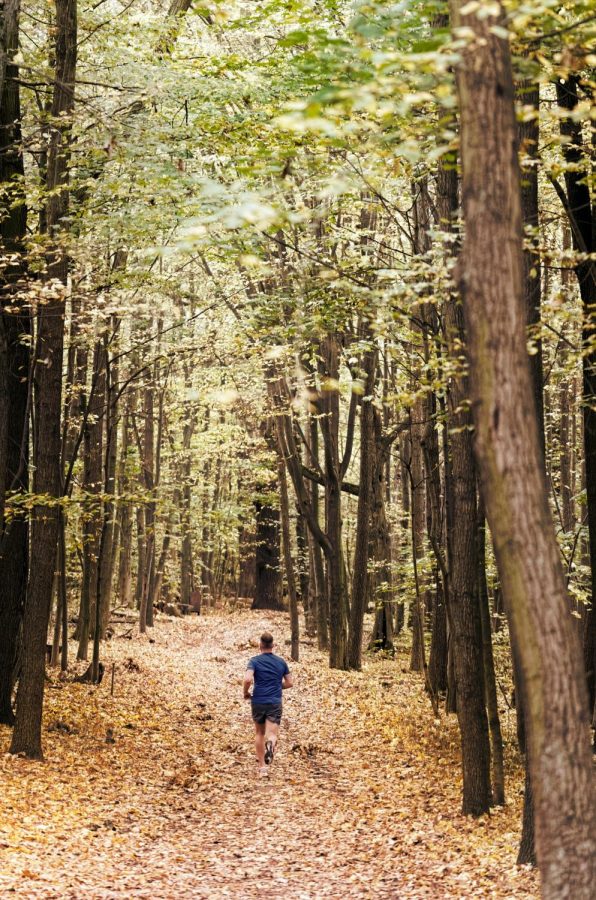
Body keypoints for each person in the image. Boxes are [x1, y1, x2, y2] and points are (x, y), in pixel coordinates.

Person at [243, 632, 293, 777]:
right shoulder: (281, 662)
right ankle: (270, 744)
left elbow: (247, 679)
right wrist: (278, 686)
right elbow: (290, 683)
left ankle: (262, 768)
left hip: (258, 701)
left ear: (260, 646)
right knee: (272, 734)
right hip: (274, 702)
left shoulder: (254, 661)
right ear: (273, 646)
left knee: (259, 732)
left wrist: (246, 693)